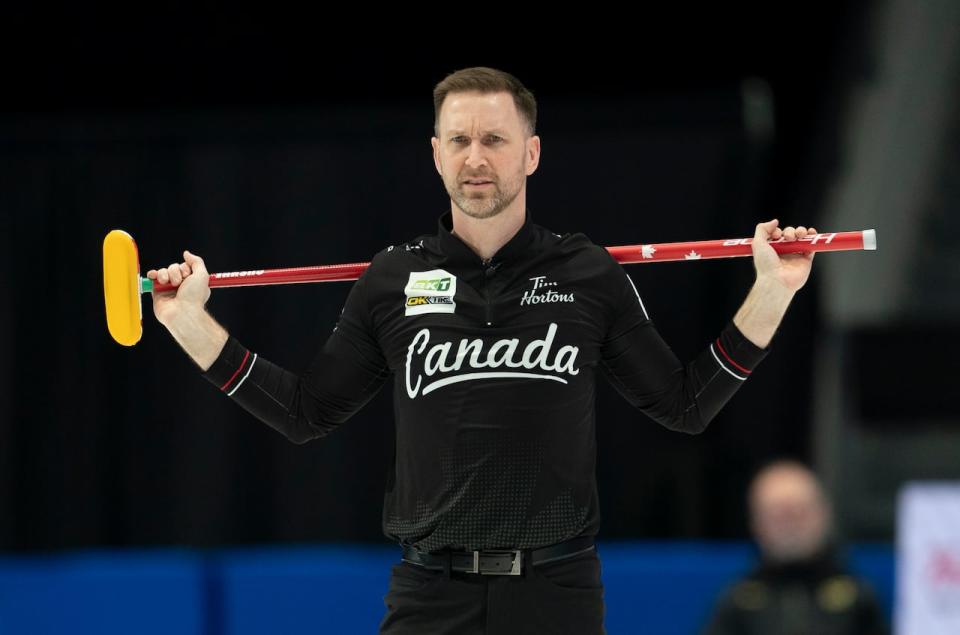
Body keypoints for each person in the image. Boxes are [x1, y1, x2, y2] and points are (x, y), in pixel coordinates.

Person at [146, 66, 817, 635]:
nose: (476, 158)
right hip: (429, 595)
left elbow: (686, 403)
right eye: (460, 140)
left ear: (531, 153)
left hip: (557, 592)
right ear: (435, 153)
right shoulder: (391, 279)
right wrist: (188, 324)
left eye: (495, 139)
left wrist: (774, 289)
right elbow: (305, 412)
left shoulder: (588, 272)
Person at [702, 460, 889, 635]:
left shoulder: (859, 599)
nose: (790, 526)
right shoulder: (738, 602)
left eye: (799, 513)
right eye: (778, 516)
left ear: (824, 515)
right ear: (755, 523)